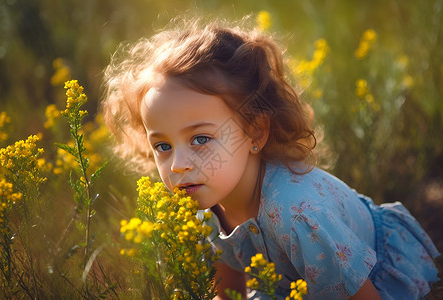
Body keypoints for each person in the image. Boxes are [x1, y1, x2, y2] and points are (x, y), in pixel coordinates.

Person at [100, 17, 440, 300]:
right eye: (162, 146)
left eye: (200, 139)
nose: (177, 165)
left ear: (256, 132)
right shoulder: (203, 205)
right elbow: (227, 293)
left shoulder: (299, 215)